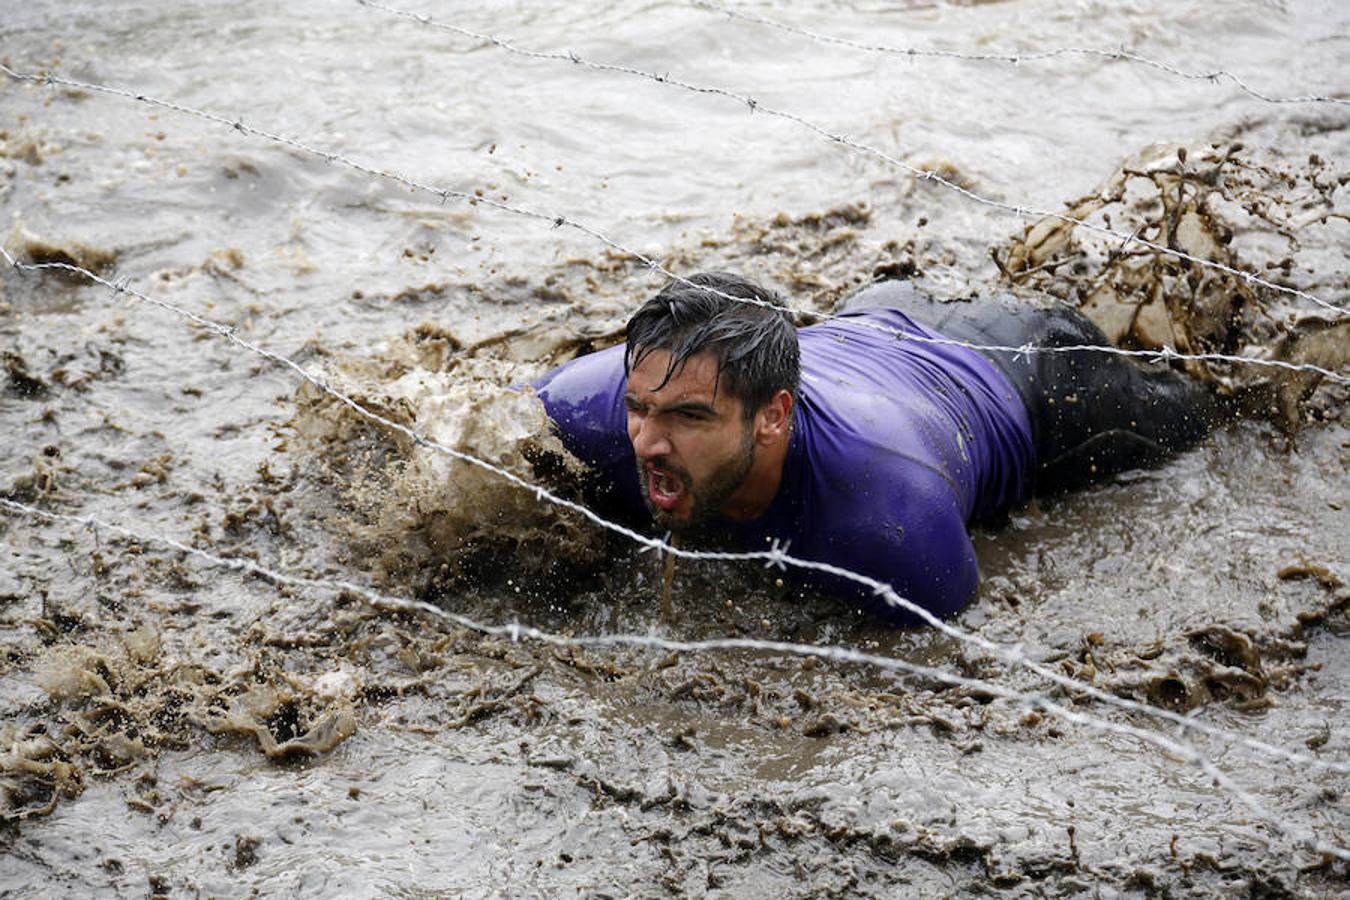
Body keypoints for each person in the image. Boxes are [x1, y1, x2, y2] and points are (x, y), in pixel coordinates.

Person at [531, 272, 1216, 625]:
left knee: (1208, 411)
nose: (646, 442)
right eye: (637, 407)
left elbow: (947, 649)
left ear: (773, 419)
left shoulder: (892, 522)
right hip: (874, 311)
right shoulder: (579, 413)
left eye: (686, 418)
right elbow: (455, 446)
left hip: (1027, 368)